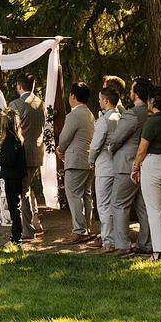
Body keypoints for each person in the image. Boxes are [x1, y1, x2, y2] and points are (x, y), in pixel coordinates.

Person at [133, 86, 161, 260]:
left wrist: (135, 167)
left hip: (154, 163)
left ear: (152, 101)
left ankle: (158, 251)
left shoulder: (153, 121)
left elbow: (142, 149)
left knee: (154, 210)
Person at [110, 78, 154, 255]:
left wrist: (110, 148)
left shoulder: (132, 114)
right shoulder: (152, 114)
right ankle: (146, 243)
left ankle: (122, 244)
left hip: (127, 164)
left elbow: (117, 138)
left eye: (132, 89)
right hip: (147, 164)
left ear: (136, 94)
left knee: (119, 203)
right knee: (143, 206)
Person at [89, 87, 126, 254]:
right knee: (115, 205)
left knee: (103, 205)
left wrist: (90, 160)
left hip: (104, 166)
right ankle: (116, 239)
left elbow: (96, 144)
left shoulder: (104, 120)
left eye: (100, 99)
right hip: (118, 165)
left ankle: (108, 242)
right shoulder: (122, 117)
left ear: (106, 101)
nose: (98, 101)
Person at [57, 82, 96, 242]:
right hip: (88, 160)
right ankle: (86, 228)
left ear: (73, 96)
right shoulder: (90, 114)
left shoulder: (73, 115)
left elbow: (64, 138)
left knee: (73, 194)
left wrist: (60, 149)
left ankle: (79, 230)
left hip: (75, 160)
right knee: (86, 195)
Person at [8, 75, 45, 239]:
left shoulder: (15, 104)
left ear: (19, 86)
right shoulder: (40, 103)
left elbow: (11, 130)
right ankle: (36, 223)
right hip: (37, 150)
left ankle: (28, 230)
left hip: (21, 153)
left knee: (22, 191)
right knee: (28, 188)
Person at [0, 107, 28, 245]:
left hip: (11, 175)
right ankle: (17, 235)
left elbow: (9, 160)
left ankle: (16, 236)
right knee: (15, 206)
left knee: (13, 207)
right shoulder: (18, 138)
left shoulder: (9, 139)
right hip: (17, 175)